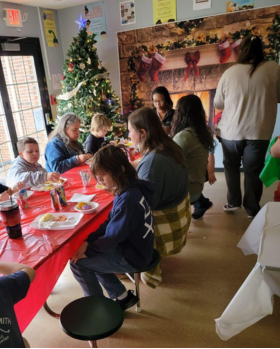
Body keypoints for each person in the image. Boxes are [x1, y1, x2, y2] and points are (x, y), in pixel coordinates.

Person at [70, 145, 155, 311]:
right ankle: (122, 297)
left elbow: (110, 240)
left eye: (103, 175)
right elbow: (110, 222)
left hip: (133, 255)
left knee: (78, 264)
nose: (100, 180)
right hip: (138, 248)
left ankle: (98, 310)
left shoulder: (128, 199)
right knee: (93, 256)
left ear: (120, 170)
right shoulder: (132, 188)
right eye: (97, 175)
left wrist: (89, 251)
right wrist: (89, 241)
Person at [214, 35, 280, 218]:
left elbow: (218, 104)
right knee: (253, 170)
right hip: (259, 132)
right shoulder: (274, 68)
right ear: (262, 50)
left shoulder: (229, 73)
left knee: (231, 166)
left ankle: (233, 202)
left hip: (230, 132)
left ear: (241, 50)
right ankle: (252, 208)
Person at [128, 107, 191, 288]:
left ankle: (129, 263)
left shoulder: (153, 162)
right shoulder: (170, 146)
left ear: (142, 132)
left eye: (130, 132)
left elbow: (144, 206)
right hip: (180, 216)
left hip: (164, 222)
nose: (129, 136)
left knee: (118, 218)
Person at [171, 95, 214, 220]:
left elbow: (167, 162)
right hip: (197, 187)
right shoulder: (201, 132)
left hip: (187, 190)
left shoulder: (184, 136)